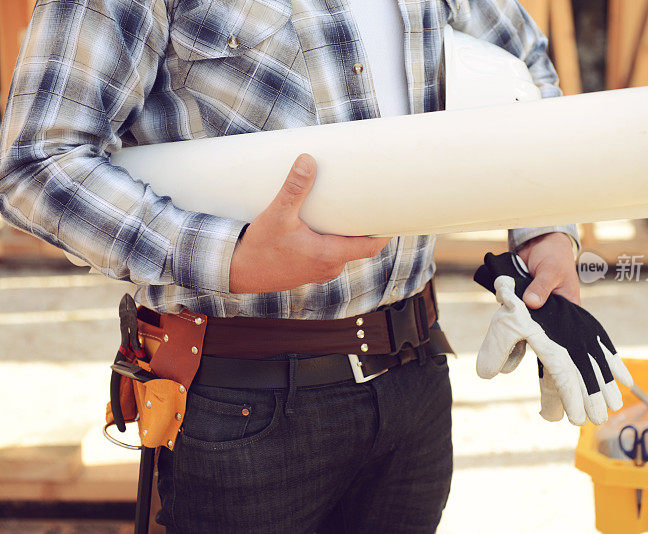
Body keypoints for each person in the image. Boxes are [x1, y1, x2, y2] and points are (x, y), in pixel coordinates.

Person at [0, 0, 580, 531]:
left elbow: (524, 67)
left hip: (414, 377)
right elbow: (36, 164)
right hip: (238, 405)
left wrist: (546, 232)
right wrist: (227, 257)